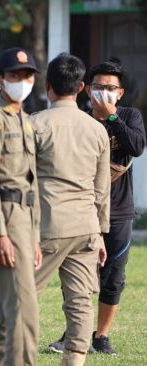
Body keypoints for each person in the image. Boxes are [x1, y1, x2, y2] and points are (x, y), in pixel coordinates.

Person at [48, 60, 146, 355]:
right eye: (99, 87)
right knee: (77, 275)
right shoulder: (77, 119)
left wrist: (112, 117)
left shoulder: (129, 115)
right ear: (86, 90)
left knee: (113, 277)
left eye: (110, 88)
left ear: (121, 92)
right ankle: (73, 333)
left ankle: (101, 336)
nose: (104, 93)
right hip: (80, 210)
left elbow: (137, 146)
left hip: (118, 211)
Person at [32, 53, 111, 366]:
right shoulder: (97, 130)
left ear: (48, 86)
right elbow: (101, 189)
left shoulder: (34, 125)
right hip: (86, 229)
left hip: (45, 227)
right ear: (81, 87)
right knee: (80, 302)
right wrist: (101, 233)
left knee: (23, 298)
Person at [0, 47, 42, 366]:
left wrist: (36, 236)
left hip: (27, 221)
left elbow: (33, 182)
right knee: (24, 310)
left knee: (7, 311)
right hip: (7, 218)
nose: (22, 81)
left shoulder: (26, 121)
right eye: (15, 76)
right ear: (0, 80)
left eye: (27, 75)